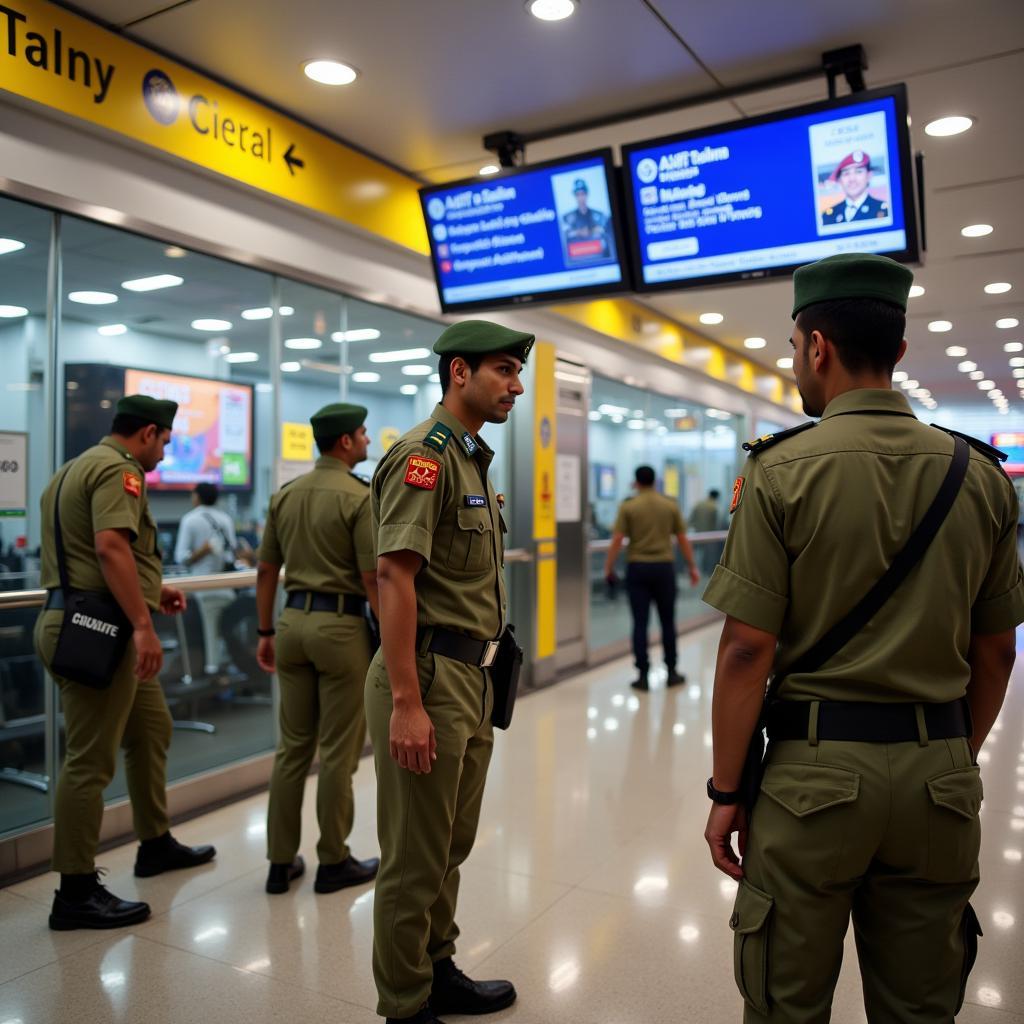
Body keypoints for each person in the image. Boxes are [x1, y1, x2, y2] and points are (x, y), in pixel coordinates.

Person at [701, 252, 1023, 1022]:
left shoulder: (780, 471)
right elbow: (998, 651)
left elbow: (748, 649)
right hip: (938, 777)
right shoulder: (979, 476)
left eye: (792, 348)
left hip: (812, 782)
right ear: (901, 351)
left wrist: (726, 791)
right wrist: (947, 755)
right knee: (921, 1006)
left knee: (788, 1000)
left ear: (817, 345)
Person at [365, 320, 531, 1024]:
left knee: (450, 844)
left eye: (516, 373)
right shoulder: (423, 458)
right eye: (502, 370)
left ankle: (436, 967)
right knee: (412, 856)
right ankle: (404, 1003)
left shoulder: (472, 461)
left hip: (474, 679)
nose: (515, 385)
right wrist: (406, 700)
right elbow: (393, 577)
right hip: (426, 677)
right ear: (458, 372)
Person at [34, 395, 216, 931]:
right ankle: (74, 890)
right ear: (148, 434)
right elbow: (111, 547)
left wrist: (153, 592)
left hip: (81, 618)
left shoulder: (71, 470)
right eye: (165, 441)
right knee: (89, 761)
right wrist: (141, 625)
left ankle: (155, 843)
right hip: (98, 631)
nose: (165, 451)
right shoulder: (121, 471)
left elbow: (91, 560)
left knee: (151, 728)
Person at [255, 403, 381, 896]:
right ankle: (333, 860)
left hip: (290, 625)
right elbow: (373, 577)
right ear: (345, 443)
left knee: (291, 750)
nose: (368, 441)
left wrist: (265, 632)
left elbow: (267, 572)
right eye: (364, 434)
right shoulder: (358, 496)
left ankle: (279, 862)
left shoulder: (286, 496)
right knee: (337, 753)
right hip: (340, 629)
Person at [603, 466, 700, 691]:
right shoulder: (669, 504)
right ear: (655, 481)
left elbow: (617, 539)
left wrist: (609, 567)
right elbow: (682, 538)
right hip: (664, 569)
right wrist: (692, 566)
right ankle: (672, 672)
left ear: (636, 482)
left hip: (637, 569)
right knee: (667, 622)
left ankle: (643, 675)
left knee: (640, 623)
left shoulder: (629, 506)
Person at [174, 482, 244, 673]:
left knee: (209, 635)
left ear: (196, 497)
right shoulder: (226, 519)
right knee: (225, 633)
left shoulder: (190, 519)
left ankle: (212, 671)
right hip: (227, 588)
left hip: (201, 590)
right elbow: (231, 556)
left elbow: (181, 558)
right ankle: (227, 670)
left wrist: (202, 552)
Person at [822, 151, 889, 226]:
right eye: (846, 173)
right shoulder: (828, 216)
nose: (852, 179)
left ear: (869, 175)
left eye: (858, 172)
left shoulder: (885, 210)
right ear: (840, 180)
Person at [562, 178, 612, 257]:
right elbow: (565, 235)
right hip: (577, 257)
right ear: (575, 196)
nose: (581, 198)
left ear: (587, 194)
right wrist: (578, 232)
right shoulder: (567, 218)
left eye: (583, 194)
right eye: (578, 195)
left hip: (599, 255)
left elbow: (605, 231)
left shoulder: (599, 215)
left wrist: (590, 231)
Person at [689, 488, 723, 576]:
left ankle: (695, 570)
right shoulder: (714, 507)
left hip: (697, 534)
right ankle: (706, 572)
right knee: (708, 555)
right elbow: (716, 524)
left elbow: (691, 520)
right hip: (709, 535)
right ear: (716, 497)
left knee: (696, 553)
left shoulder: (698, 504)